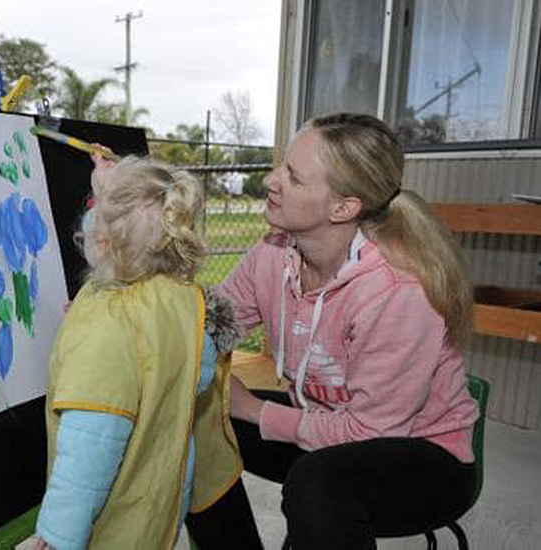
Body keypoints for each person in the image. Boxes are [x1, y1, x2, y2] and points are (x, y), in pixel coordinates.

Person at [185, 112, 480, 549]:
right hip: (324, 419)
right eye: (282, 165)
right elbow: (209, 331)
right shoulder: (270, 256)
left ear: (343, 208)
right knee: (193, 422)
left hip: (423, 452)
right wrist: (132, 314)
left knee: (317, 485)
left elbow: (371, 432)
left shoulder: (396, 290)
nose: (271, 180)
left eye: (294, 177)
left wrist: (255, 411)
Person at [34, 152, 257, 549]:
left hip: (114, 526)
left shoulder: (108, 326)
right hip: (158, 509)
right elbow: (190, 371)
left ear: (101, 241)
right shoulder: (183, 300)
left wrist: (57, 537)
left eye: (94, 210)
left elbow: (90, 451)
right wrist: (109, 186)